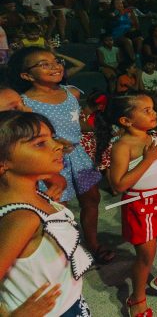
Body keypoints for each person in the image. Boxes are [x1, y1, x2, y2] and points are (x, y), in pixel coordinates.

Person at [9, 47, 116, 265]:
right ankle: (67, 250)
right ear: (27, 75)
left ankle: (93, 243)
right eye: (44, 64)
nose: (55, 66)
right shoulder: (24, 103)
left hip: (78, 156)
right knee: (60, 207)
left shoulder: (72, 93)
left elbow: (79, 121)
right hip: (50, 162)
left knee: (91, 198)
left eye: (55, 61)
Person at [0, 111, 93, 316]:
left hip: (69, 302)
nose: (57, 145)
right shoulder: (23, 218)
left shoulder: (35, 196)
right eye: (40, 143)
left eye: (52, 137)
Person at [100, 93, 157, 317]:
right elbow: (118, 185)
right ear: (126, 121)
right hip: (141, 204)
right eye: (146, 110)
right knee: (146, 253)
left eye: (153, 108)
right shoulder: (122, 146)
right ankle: (136, 298)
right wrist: (148, 159)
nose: (154, 113)